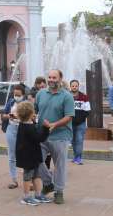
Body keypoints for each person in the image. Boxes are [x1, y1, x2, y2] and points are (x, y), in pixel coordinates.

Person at [36, 70, 75, 205]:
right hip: (42, 134)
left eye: (54, 77)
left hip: (61, 136)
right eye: (49, 77)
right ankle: (48, 183)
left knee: (60, 165)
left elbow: (69, 116)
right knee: (35, 160)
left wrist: (54, 125)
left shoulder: (67, 96)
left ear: (60, 79)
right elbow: (35, 111)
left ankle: (59, 192)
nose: (51, 80)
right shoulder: (41, 94)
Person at [15, 101, 52, 206]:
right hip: (28, 157)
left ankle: (38, 194)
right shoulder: (28, 127)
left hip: (32, 155)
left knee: (37, 175)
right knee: (28, 176)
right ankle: (26, 197)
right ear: (31, 113)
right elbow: (39, 138)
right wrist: (46, 128)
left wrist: (34, 121)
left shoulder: (24, 124)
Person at [1, 84, 26, 189]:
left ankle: (27, 179)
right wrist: (9, 116)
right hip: (11, 128)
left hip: (23, 130)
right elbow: (3, 115)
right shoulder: (11, 102)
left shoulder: (27, 104)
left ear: (23, 95)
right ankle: (14, 180)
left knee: (25, 154)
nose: (16, 96)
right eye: (15, 94)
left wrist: (21, 117)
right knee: (11, 155)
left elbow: (32, 116)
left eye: (18, 95)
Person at [70, 79, 91, 165]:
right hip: (70, 123)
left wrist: (80, 119)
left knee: (79, 140)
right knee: (73, 141)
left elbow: (87, 110)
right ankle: (75, 156)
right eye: (73, 86)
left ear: (78, 86)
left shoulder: (84, 97)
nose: (74, 87)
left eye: (76, 86)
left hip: (81, 123)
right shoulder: (67, 96)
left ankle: (78, 157)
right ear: (70, 86)